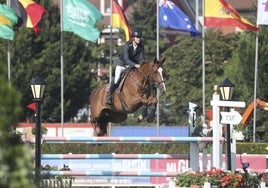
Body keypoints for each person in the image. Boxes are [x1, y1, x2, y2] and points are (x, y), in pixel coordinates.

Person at [105, 28, 145, 105]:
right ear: (133, 38)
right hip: (122, 64)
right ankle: (109, 96)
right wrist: (135, 65)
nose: (139, 39)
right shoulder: (127, 45)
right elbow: (126, 59)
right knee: (117, 79)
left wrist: (142, 64)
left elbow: (141, 58)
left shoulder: (141, 46)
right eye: (137, 37)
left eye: (140, 37)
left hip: (131, 65)